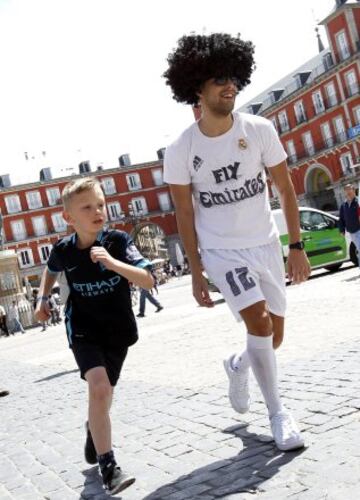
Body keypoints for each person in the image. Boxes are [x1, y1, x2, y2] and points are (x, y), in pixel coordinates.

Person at [163, 33, 311, 451]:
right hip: (222, 253)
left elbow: (285, 189)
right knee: (259, 324)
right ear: (197, 87)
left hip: (264, 244)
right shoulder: (180, 150)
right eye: (218, 80)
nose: (230, 86)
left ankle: (237, 364)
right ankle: (279, 415)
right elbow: (185, 216)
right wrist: (196, 272)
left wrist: (296, 246)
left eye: (234, 77)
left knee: (272, 337)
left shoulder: (260, 129)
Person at [35, 177, 154, 495]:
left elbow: (147, 280)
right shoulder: (64, 250)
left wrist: (113, 263)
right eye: (87, 207)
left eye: (100, 204)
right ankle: (109, 467)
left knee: (103, 396)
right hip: (84, 330)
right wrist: (43, 299)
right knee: (99, 388)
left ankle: (94, 428)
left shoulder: (117, 241)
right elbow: (50, 268)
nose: (97, 210)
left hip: (118, 331)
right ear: (69, 218)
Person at [339, 183, 360, 268]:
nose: (348, 191)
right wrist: (341, 230)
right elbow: (341, 218)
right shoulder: (344, 205)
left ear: (353, 190)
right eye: (346, 190)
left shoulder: (358, 202)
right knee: (358, 248)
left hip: (359, 229)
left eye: (349, 189)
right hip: (351, 231)